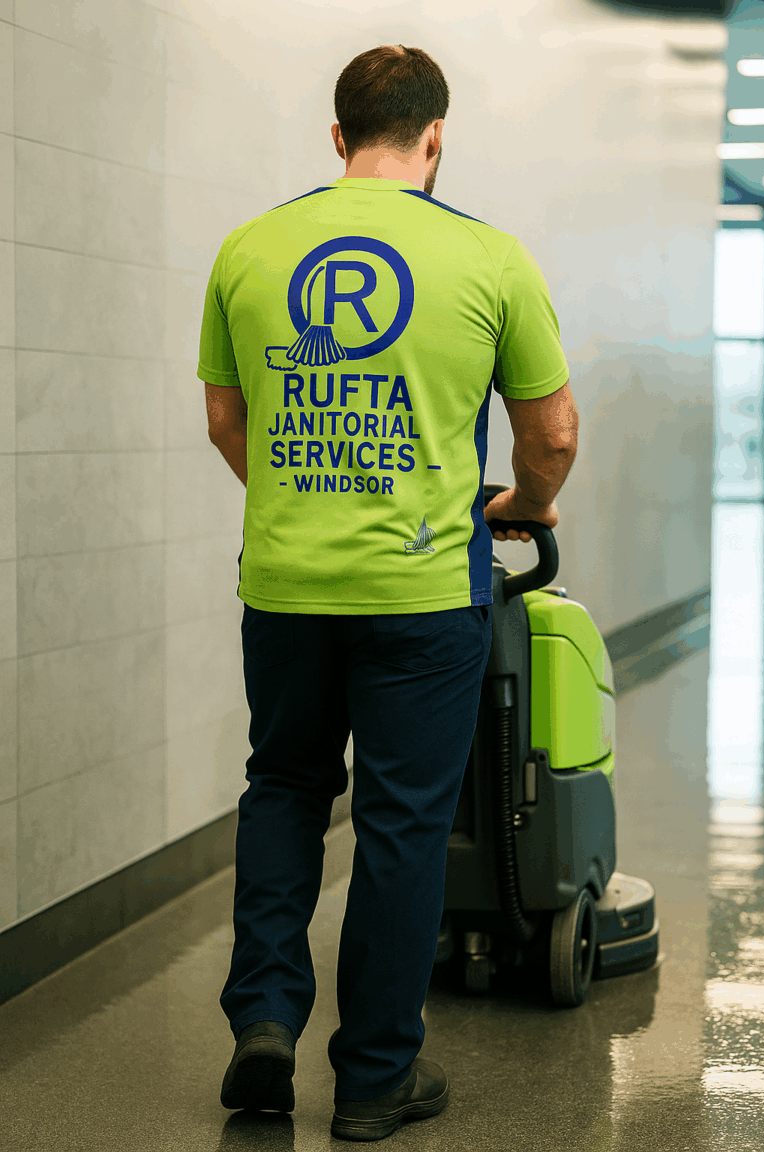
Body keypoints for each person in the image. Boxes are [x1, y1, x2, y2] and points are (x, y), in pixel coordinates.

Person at [197, 43, 578, 1143]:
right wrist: (523, 505)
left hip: (285, 580)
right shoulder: (490, 257)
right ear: (435, 139)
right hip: (422, 590)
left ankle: (264, 1021)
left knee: (283, 788)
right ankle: (372, 1078)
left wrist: (308, 500)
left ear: (335, 137)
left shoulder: (249, 248)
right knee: (402, 826)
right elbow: (548, 433)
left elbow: (229, 424)